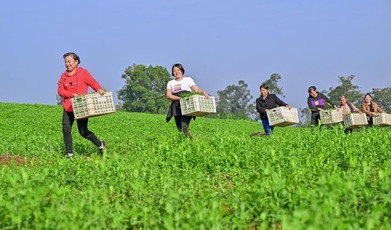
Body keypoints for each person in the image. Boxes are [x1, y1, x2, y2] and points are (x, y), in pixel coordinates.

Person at [57, 52, 107, 158]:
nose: (67, 64)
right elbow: (60, 90)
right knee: (66, 129)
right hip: (68, 107)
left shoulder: (83, 73)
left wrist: (99, 89)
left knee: (83, 132)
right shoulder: (63, 76)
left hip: (81, 107)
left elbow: (92, 82)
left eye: (69, 61)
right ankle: (69, 153)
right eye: (65, 62)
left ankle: (100, 145)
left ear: (76, 62)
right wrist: (71, 95)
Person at [166, 63, 209, 138]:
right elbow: (168, 95)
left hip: (187, 105)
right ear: (172, 73)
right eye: (174, 71)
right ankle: (186, 142)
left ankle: (191, 141)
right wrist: (179, 98)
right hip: (176, 106)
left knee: (184, 125)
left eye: (178, 70)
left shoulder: (188, 80)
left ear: (182, 71)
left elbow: (196, 89)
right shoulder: (171, 83)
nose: (177, 72)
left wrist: (203, 92)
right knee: (179, 128)